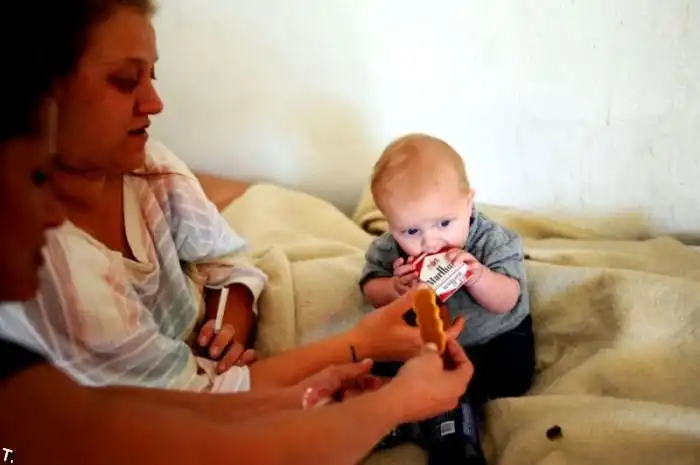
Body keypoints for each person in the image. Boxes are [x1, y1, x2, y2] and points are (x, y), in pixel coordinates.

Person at [0, 2, 475, 464]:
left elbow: (137, 410)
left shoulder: (151, 171)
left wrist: (301, 391)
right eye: (36, 178)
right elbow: (187, 430)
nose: (155, 102)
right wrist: (382, 387)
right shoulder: (63, 295)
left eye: (152, 75)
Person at [359, 133, 536, 464]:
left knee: (504, 374)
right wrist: (394, 289)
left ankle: (450, 426)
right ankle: (398, 413)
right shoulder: (389, 251)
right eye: (411, 231)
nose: (430, 242)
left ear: (468, 204)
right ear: (390, 224)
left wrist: (479, 277)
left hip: (492, 339)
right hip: (424, 343)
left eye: (444, 223)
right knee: (378, 362)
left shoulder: (492, 242)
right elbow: (370, 287)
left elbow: (507, 299)